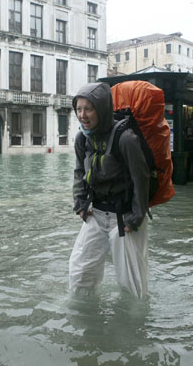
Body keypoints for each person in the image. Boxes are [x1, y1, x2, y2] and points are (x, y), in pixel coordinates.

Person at [69, 82, 150, 299]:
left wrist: (135, 218)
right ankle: (87, 324)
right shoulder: (82, 138)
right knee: (79, 274)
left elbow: (141, 179)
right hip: (95, 214)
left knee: (132, 286)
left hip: (125, 219)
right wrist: (79, 203)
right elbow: (79, 171)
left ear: (102, 109)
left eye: (89, 109)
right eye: (78, 109)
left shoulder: (126, 139)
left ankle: (134, 326)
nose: (82, 115)